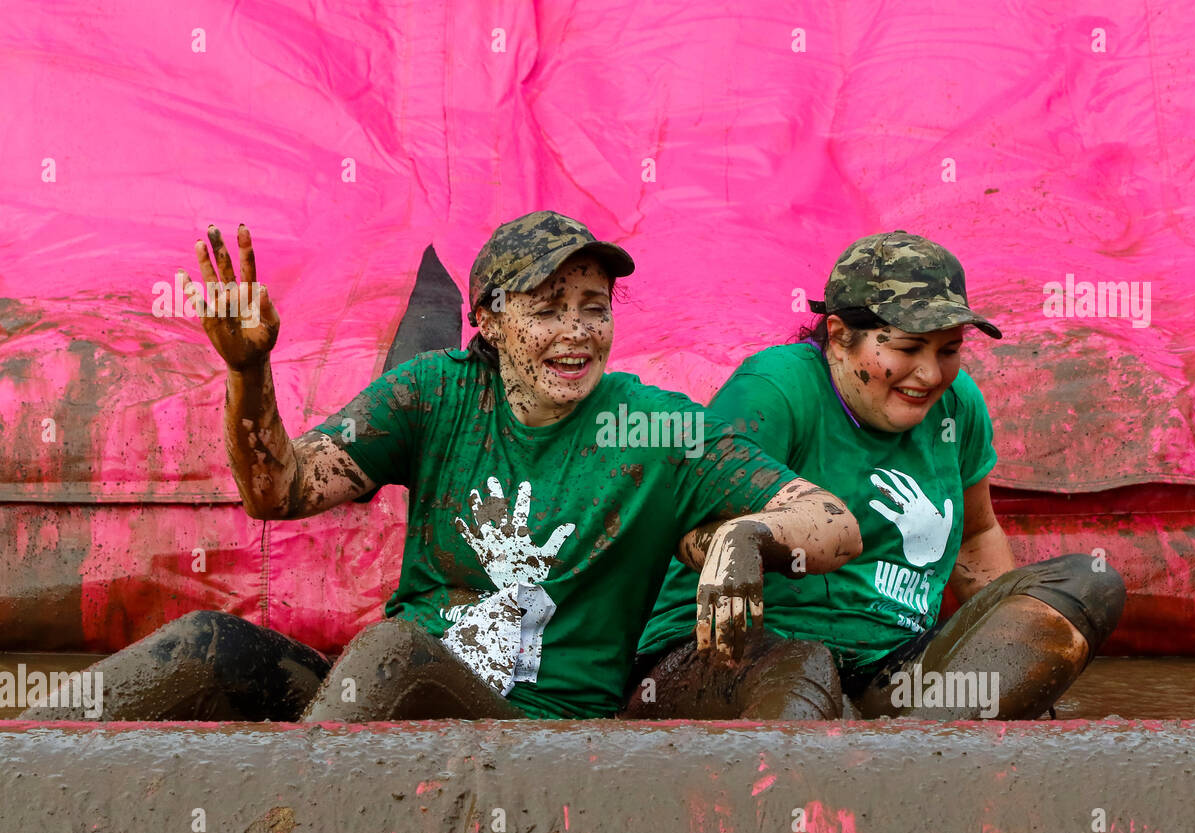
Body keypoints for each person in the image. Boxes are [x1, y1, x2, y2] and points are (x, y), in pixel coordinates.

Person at [24, 211, 861, 722]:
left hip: (533, 731)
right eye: (547, 309)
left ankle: (297, 827)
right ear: (490, 322)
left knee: (391, 653)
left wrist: (746, 535)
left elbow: (835, 521)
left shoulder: (650, 426)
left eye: (593, 308)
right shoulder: (435, 395)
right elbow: (279, 490)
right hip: (382, 700)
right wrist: (249, 375)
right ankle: (24, 772)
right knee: (208, 645)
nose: (577, 332)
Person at [630, 230, 1127, 720]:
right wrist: (748, 541)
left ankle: (916, 749)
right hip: (735, 659)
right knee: (807, 672)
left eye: (949, 350)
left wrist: (1016, 657)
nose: (931, 375)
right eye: (908, 349)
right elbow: (684, 527)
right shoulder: (777, 389)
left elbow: (977, 535)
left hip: (889, 667)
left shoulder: (958, 407)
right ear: (841, 337)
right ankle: (854, 759)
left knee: (1090, 580)